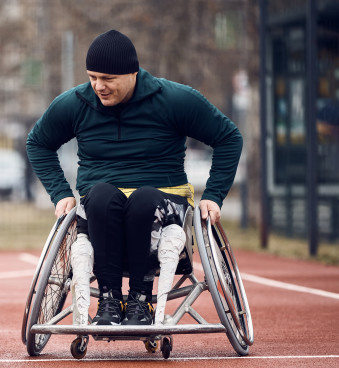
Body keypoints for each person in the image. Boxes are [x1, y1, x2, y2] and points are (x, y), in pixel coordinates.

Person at [26, 29, 242, 326]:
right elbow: (37, 143)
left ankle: (141, 301)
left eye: (107, 79)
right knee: (100, 195)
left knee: (143, 197)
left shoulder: (175, 99)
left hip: (163, 205)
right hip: (102, 208)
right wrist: (60, 192)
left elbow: (229, 137)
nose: (98, 86)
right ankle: (109, 299)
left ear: (132, 74)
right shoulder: (76, 103)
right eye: (92, 77)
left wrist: (214, 195)